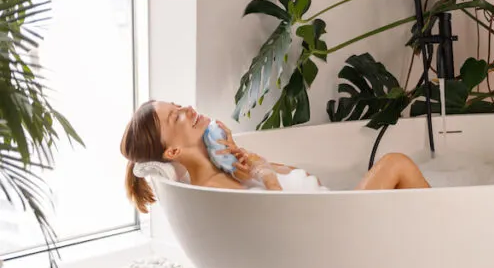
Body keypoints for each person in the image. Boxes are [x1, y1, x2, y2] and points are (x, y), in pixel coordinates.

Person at [119, 100, 430, 213]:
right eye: (176, 117)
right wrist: (263, 171)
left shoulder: (226, 167)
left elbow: (303, 179)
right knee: (395, 164)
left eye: (178, 105)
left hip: (335, 214)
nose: (187, 108)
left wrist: (248, 156)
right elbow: (283, 216)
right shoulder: (214, 188)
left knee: (396, 170)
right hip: (332, 233)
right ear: (172, 151)